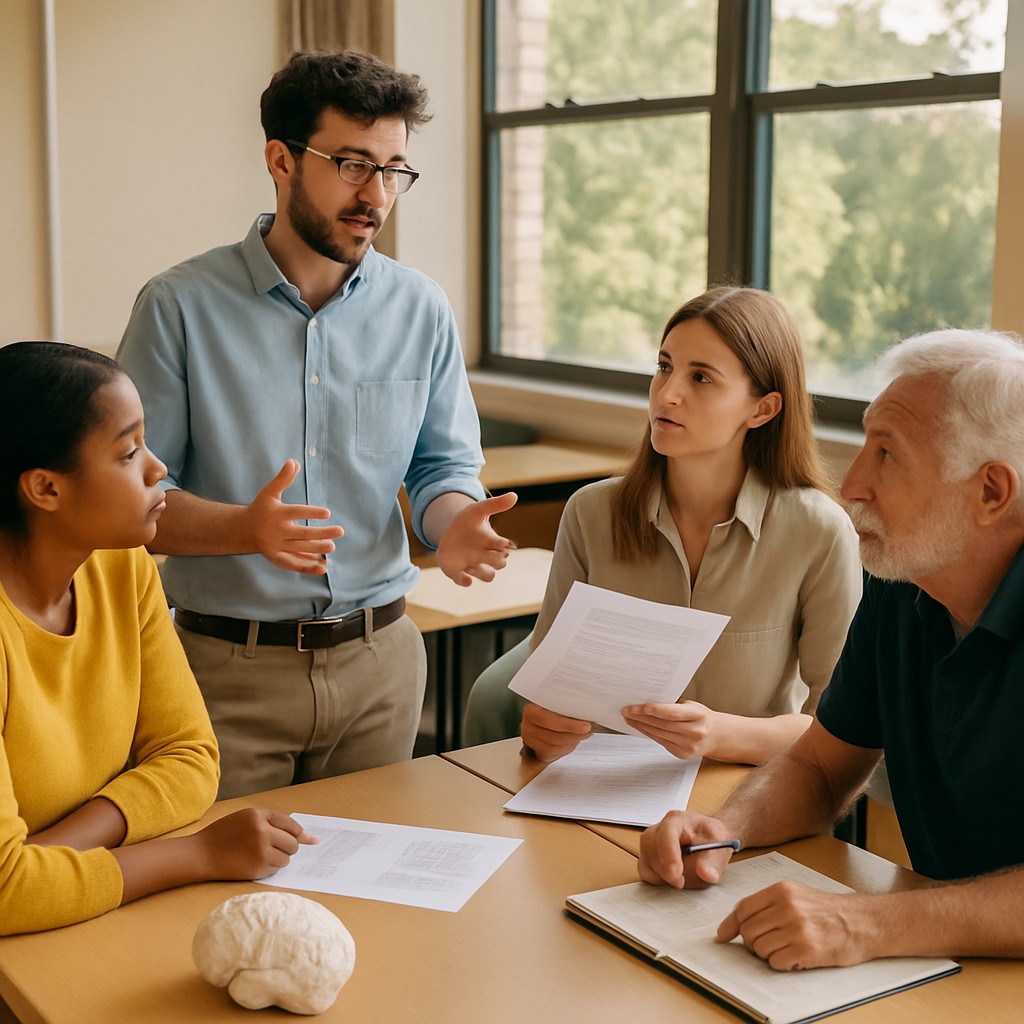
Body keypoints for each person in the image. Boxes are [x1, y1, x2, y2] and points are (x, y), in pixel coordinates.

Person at [117, 50, 515, 800]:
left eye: (395, 169)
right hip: (225, 673)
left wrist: (453, 523)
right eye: (353, 164)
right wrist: (247, 529)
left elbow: (440, 468)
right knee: (230, 912)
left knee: (374, 902)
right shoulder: (177, 306)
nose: (377, 195)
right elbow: (133, 501)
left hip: (382, 665)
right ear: (282, 159)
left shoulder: (421, 306)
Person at [639, 328, 1024, 968]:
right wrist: (726, 830)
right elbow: (818, 767)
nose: (852, 486)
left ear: (991, 492)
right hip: (953, 965)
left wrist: (865, 924)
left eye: (889, 454)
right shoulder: (901, 583)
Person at [0, 342, 316, 936]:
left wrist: (52, 852)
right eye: (128, 452)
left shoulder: (121, 566)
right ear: (45, 488)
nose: (158, 467)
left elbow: (191, 759)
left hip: (80, 918)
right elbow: (2, 896)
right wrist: (196, 855)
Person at [519, 286, 861, 766]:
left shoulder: (818, 532)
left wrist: (722, 735)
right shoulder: (589, 514)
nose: (668, 393)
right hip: (596, 798)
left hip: (746, 803)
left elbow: (841, 728)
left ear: (762, 409)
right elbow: (547, 698)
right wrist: (541, 727)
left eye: (701, 377)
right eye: (664, 366)